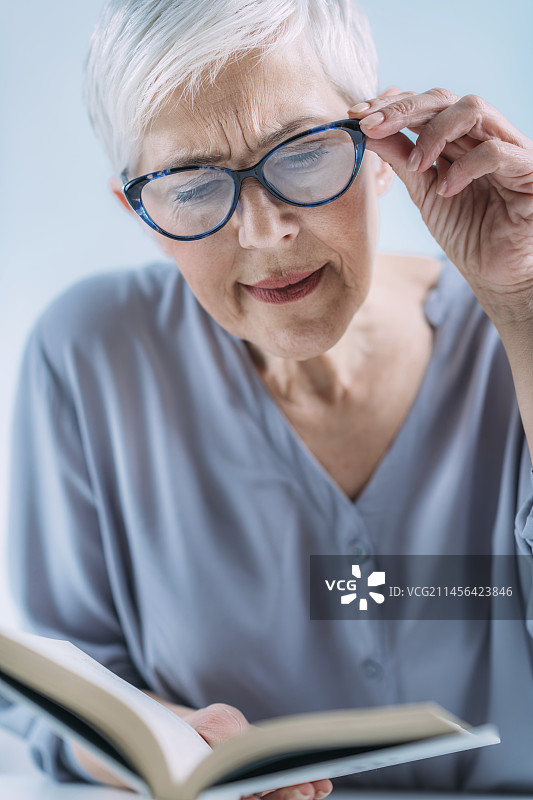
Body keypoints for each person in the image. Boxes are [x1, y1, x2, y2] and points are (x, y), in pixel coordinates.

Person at [1, 0, 533, 794]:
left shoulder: (509, 326)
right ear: (139, 214)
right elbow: (54, 699)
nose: (263, 232)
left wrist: (522, 306)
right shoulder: (89, 357)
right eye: (190, 186)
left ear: (382, 145)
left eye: (302, 153)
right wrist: (160, 748)